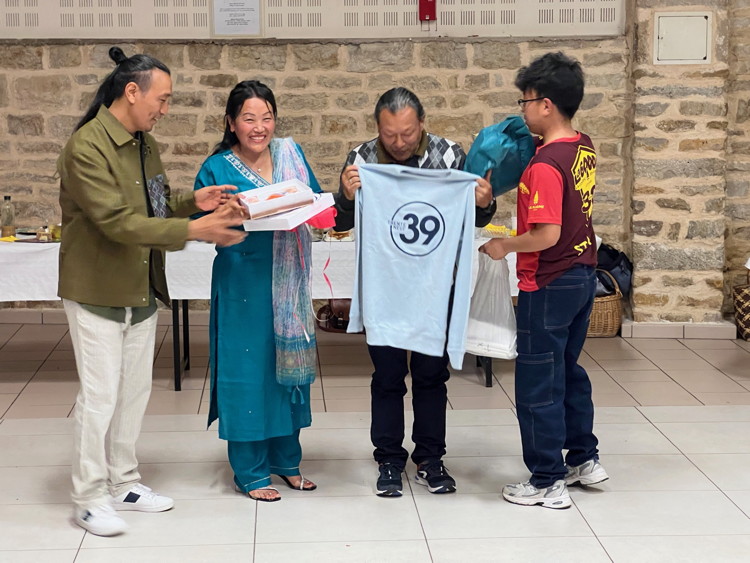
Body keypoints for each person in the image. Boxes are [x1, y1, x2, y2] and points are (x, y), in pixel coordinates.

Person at [57, 47, 248, 537]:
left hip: (140, 287)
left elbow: (155, 206)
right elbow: (118, 222)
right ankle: (88, 497)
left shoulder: (144, 143)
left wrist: (192, 201)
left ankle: (123, 482)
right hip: (98, 290)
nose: (165, 109)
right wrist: (197, 229)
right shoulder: (86, 147)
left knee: (133, 393)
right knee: (99, 397)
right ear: (131, 91)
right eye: (161, 99)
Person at [334, 87, 495, 497]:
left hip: (435, 289)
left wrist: (484, 202)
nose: (399, 142)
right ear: (377, 128)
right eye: (389, 134)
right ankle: (388, 458)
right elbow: (339, 221)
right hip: (384, 289)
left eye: (407, 133)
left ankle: (430, 458)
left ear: (422, 123)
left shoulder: (451, 156)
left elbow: (473, 217)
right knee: (387, 377)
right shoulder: (361, 160)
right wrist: (346, 197)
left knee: (431, 376)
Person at [479, 51, 607, 509]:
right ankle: (583, 458)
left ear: (547, 105)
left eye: (526, 102)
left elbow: (545, 234)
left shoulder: (544, 166)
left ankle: (547, 480)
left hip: (548, 282)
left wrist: (503, 245)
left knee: (537, 382)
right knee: (567, 370)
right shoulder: (582, 146)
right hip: (583, 274)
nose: (523, 111)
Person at [194, 80, 321, 503]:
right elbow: (199, 222)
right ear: (231, 123)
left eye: (267, 117)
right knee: (247, 370)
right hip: (242, 281)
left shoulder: (290, 154)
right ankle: (249, 471)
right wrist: (228, 214)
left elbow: (314, 199)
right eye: (249, 118)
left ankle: (286, 460)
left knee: (286, 369)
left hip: (288, 282)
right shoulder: (217, 168)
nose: (259, 127)